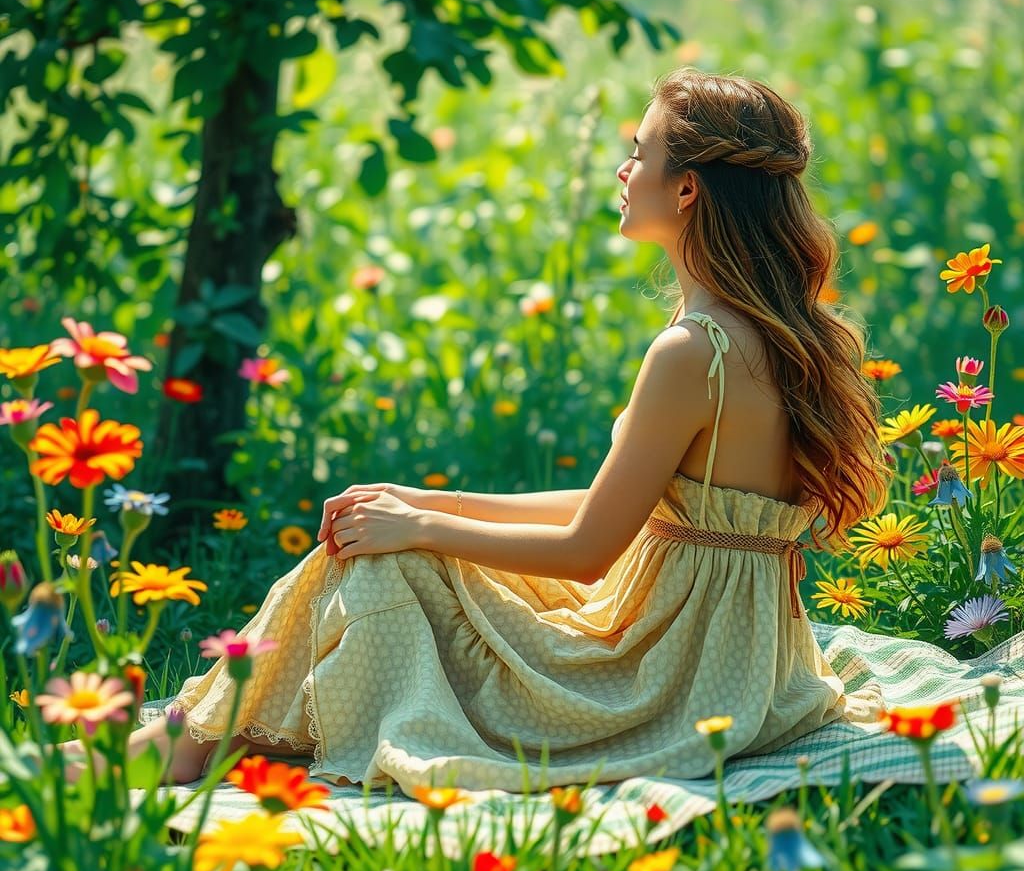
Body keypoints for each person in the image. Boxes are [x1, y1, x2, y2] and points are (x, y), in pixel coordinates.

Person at [58, 68, 891, 791]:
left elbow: (588, 551)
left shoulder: (692, 351)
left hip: (666, 674)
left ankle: (169, 749)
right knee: (389, 546)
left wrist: (419, 525)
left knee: (385, 567)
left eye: (639, 151)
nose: (621, 166)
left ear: (687, 190)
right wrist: (428, 498)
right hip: (733, 656)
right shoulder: (784, 331)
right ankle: (188, 742)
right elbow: (634, 506)